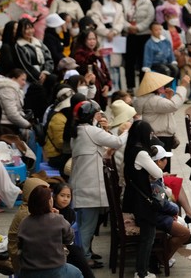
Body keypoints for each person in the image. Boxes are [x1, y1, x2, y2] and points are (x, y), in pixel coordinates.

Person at [71, 100, 124, 267]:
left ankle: (85, 252)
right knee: (88, 225)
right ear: (90, 115)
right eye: (97, 113)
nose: (99, 116)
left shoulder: (79, 131)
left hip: (83, 184)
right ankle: (84, 258)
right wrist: (129, 130)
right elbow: (117, 142)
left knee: (85, 224)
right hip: (89, 187)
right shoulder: (90, 131)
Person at [122, 120, 163, 278]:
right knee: (148, 236)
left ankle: (142, 270)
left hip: (134, 197)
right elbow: (158, 173)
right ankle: (141, 272)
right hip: (142, 201)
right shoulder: (141, 153)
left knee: (147, 235)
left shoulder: (130, 149)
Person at [17, 185, 83, 278]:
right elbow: (69, 239)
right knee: (77, 273)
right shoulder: (58, 219)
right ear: (49, 201)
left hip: (28, 271)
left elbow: (20, 245)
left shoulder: (24, 222)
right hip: (55, 270)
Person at [133, 71, 190, 172]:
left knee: (161, 167)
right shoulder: (154, 100)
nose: (164, 86)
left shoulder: (151, 99)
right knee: (163, 168)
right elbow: (173, 105)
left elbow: (167, 111)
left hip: (158, 136)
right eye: (161, 85)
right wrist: (182, 86)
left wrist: (168, 99)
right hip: (161, 138)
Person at [150, 145, 191, 262]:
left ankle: (163, 255)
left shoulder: (154, 175)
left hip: (156, 213)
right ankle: (162, 258)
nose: (166, 161)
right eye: (165, 159)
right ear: (159, 162)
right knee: (185, 233)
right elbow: (162, 202)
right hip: (156, 216)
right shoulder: (153, 180)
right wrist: (174, 209)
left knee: (182, 223)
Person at [122, 0, 155, 93]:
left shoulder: (146, 1)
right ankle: (130, 86)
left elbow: (150, 17)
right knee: (129, 61)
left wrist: (139, 27)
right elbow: (120, 17)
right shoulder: (124, 1)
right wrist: (128, 27)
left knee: (142, 61)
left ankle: (143, 86)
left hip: (143, 35)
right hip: (130, 34)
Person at [73, 29, 112, 108]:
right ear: (84, 40)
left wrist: (108, 85)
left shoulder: (96, 53)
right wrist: (94, 56)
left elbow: (106, 72)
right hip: (88, 92)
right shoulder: (79, 53)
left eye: (94, 39)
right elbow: (82, 67)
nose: (92, 42)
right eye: (89, 39)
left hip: (101, 92)